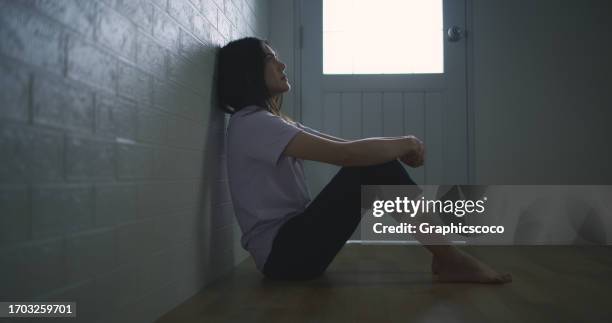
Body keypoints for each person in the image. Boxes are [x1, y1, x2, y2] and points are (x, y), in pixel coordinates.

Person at [216, 37, 511, 283]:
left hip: (290, 250)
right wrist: (405, 143)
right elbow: (347, 155)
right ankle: (451, 259)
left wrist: (397, 147)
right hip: (284, 256)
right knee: (373, 168)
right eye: (271, 58)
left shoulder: (270, 121)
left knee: (374, 166)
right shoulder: (252, 123)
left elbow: (346, 146)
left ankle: (448, 257)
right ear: (250, 70)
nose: (282, 65)